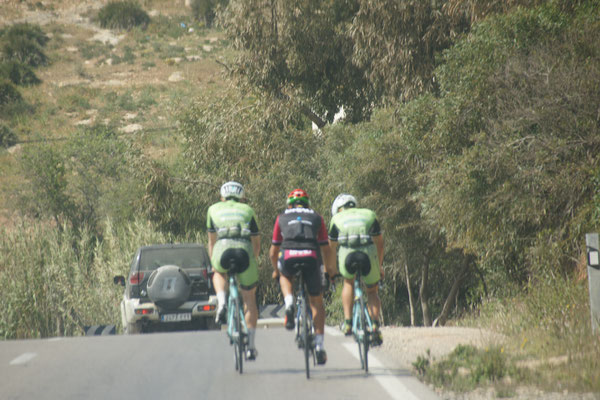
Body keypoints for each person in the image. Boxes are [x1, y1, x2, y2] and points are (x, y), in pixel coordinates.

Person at [270, 189, 336, 365]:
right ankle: (320, 347)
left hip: (289, 256)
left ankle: (289, 302)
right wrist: (330, 270)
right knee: (317, 303)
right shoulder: (316, 217)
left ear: (289, 204)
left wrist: (276, 271)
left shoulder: (281, 217)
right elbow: (326, 248)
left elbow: (273, 251)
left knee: (284, 274)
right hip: (311, 257)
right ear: (307, 203)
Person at [207, 181, 261, 360]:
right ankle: (251, 346)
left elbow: (212, 241)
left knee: (218, 272)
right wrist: (251, 260)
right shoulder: (248, 210)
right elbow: (256, 243)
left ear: (222, 197)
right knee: (250, 300)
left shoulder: (213, 209)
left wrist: (214, 263)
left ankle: (221, 302)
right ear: (241, 197)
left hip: (222, 251)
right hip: (244, 252)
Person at [328, 194, 384, 346]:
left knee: (348, 283)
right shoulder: (369, 214)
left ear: (338, 209)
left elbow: (331, 248)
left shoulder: (336, 219)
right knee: (372, 291)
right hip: (368, 255)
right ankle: (374, 325)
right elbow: (380, 243)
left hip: (348, 256)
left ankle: (347, 323)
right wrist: (379, 267)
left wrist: (331, 270)